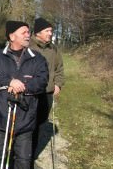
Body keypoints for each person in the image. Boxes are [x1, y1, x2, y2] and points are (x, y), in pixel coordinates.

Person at [0, 20, 49, 169]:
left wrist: (22, 86)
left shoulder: (37, 58)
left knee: (24, 161)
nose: (28, 35)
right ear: (12, 36)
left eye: (28, 32)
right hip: (1, 119)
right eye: (24, 32)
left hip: (26, 120)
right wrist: (9, 82)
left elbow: (42, 81)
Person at [29, 17, 64, 161]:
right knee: (26, 125)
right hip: (30, 95)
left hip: (47, 94)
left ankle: (31, 157)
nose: (50, 33)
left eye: (51, 31)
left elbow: (59, 69)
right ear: (38, 32)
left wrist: (58, 84)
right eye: (47, 31)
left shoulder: (53, 49)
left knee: (39, 125)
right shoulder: (28, 47)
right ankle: (19, 156)